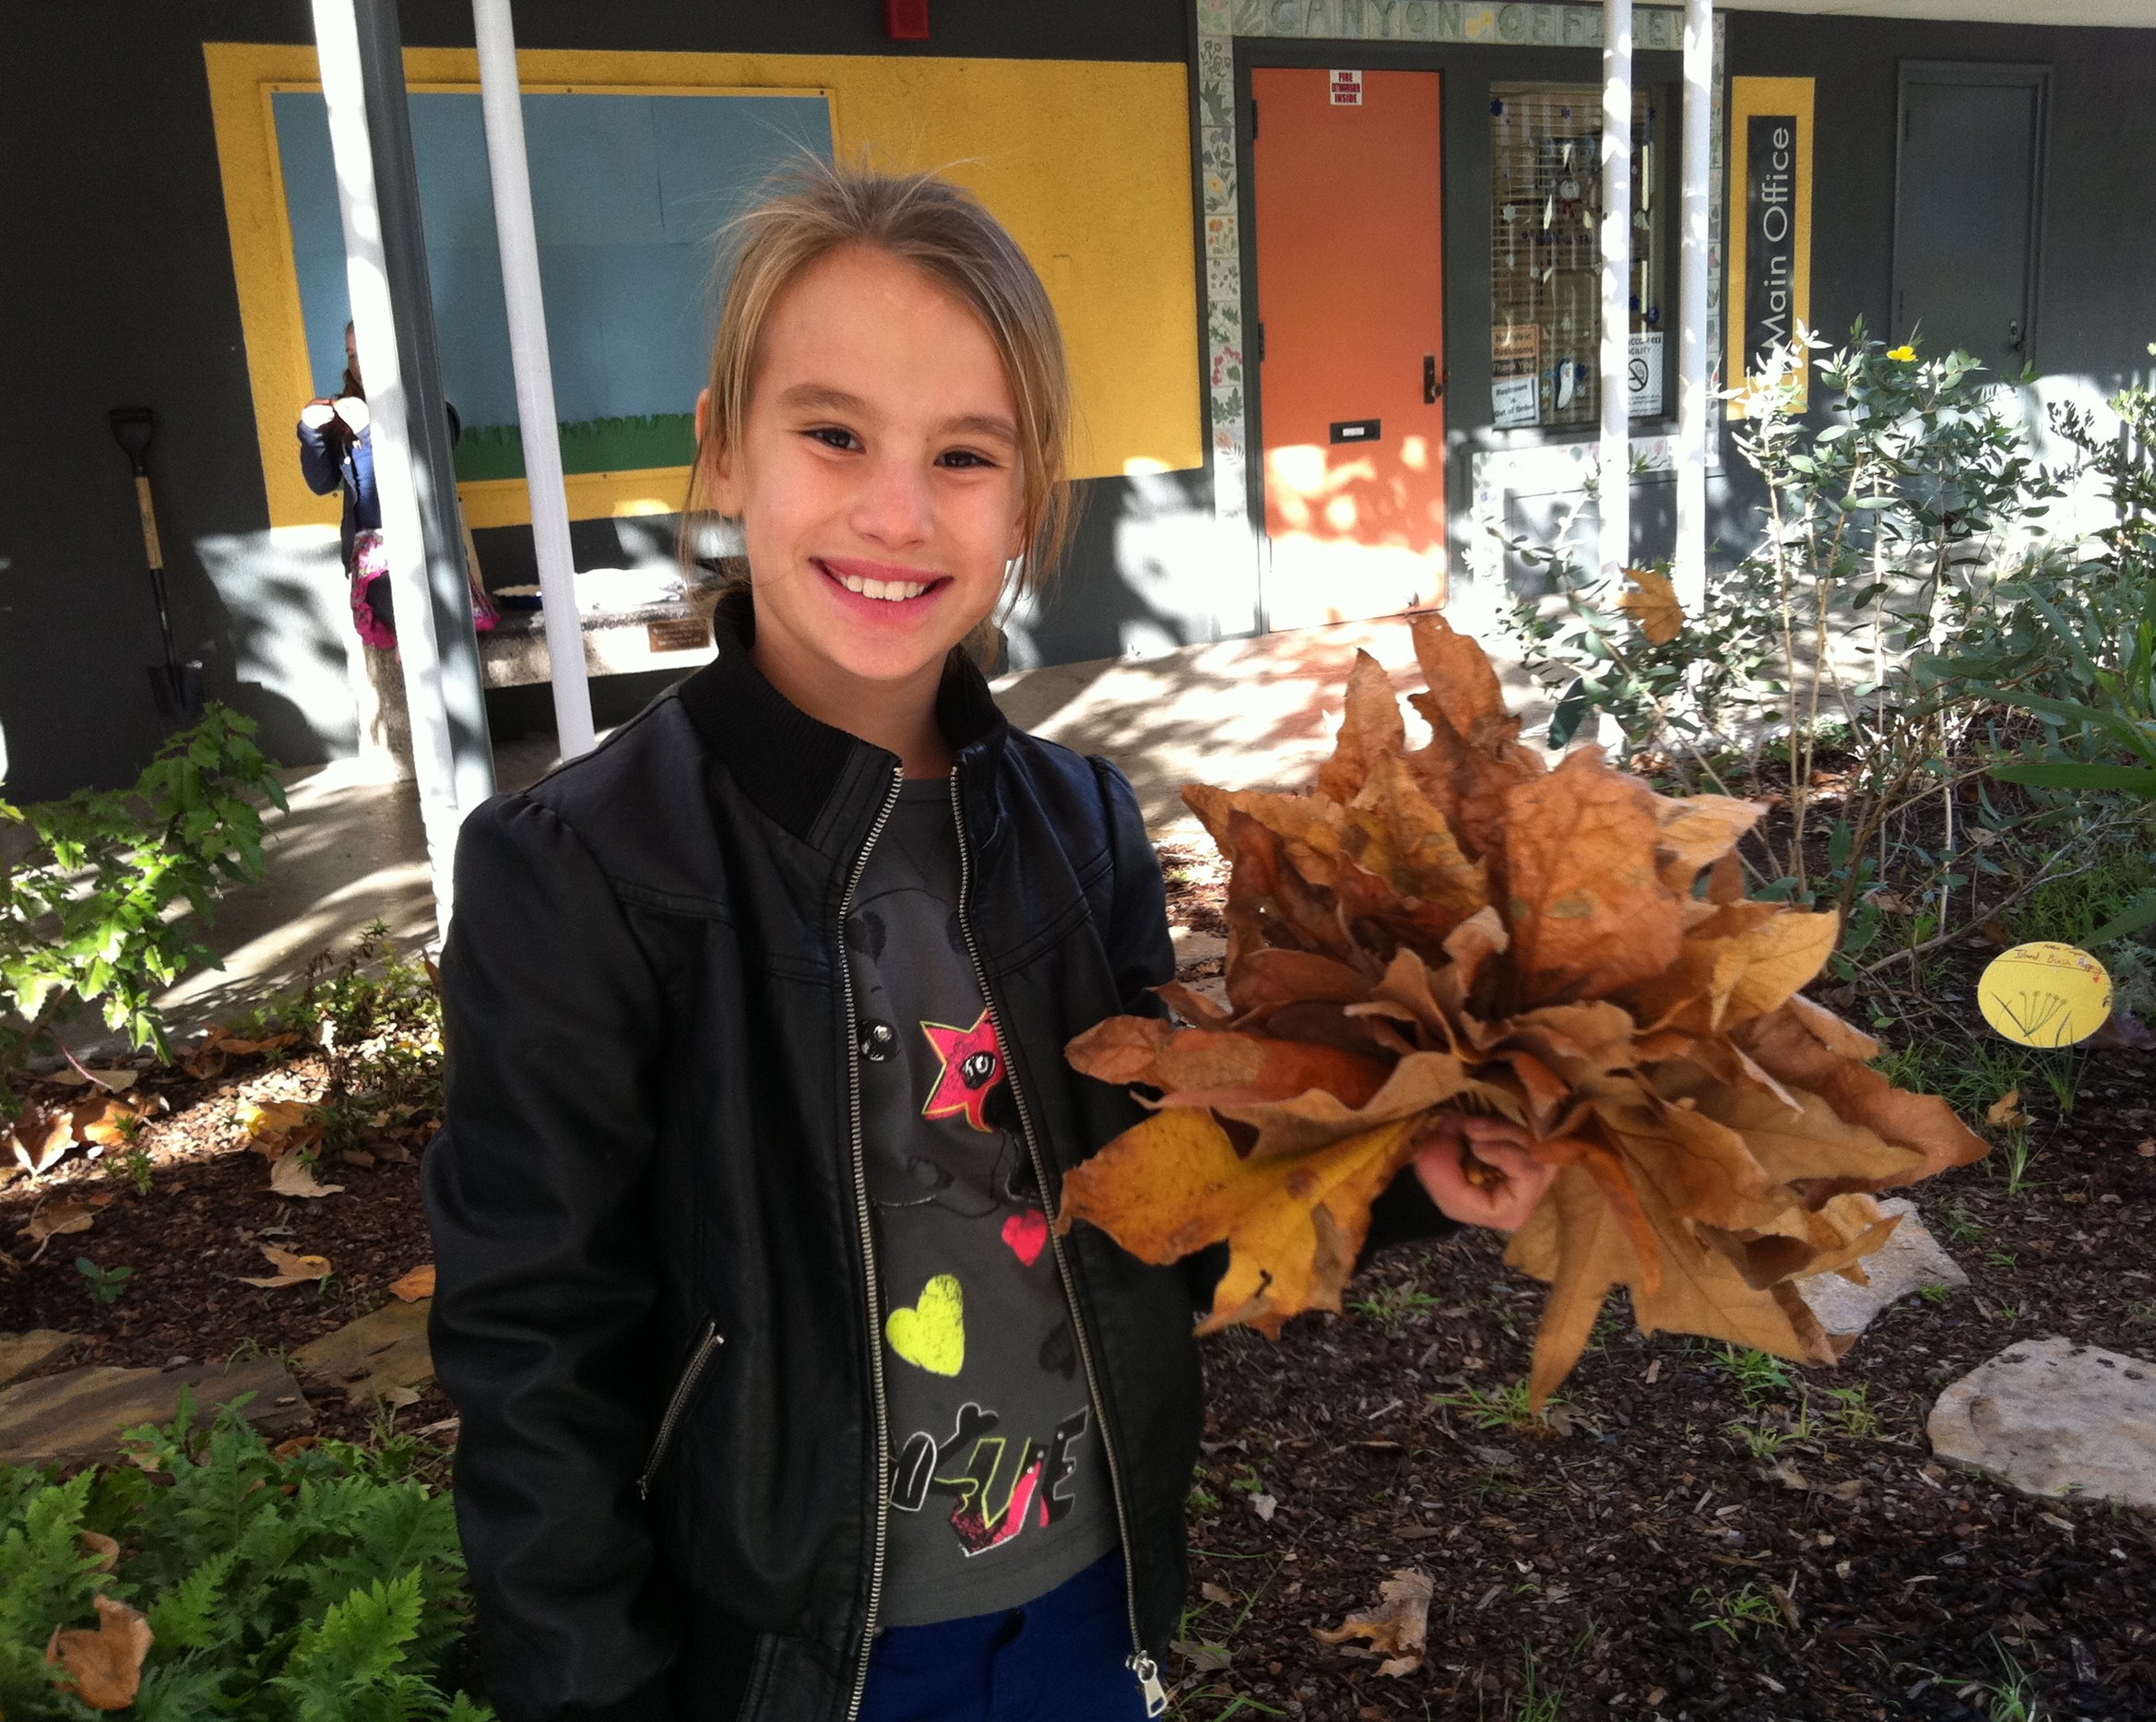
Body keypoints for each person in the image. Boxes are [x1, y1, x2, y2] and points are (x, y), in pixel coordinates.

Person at [421, 162, 1556, 1722]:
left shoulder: (1077, 827)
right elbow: (532, 1348)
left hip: (1085, 1614)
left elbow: (1153, 1204)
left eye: (964, 454)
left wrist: (1405, 1174)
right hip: (791, 1660)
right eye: (833, 435)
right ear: (721, 448)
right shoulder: (582, 872)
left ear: (1027, 502)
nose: (896, 508)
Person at [297, 320, 496, 650]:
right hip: (373, 567)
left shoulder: (430, 407)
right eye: (351, 355)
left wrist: (369, 432)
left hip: (428, 555)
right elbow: (321, 483)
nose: (358, 365)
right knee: (409, 620)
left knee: (430, 623)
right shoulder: (345, 409)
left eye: (367, 353)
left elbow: (422, 466)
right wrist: (312, 433)